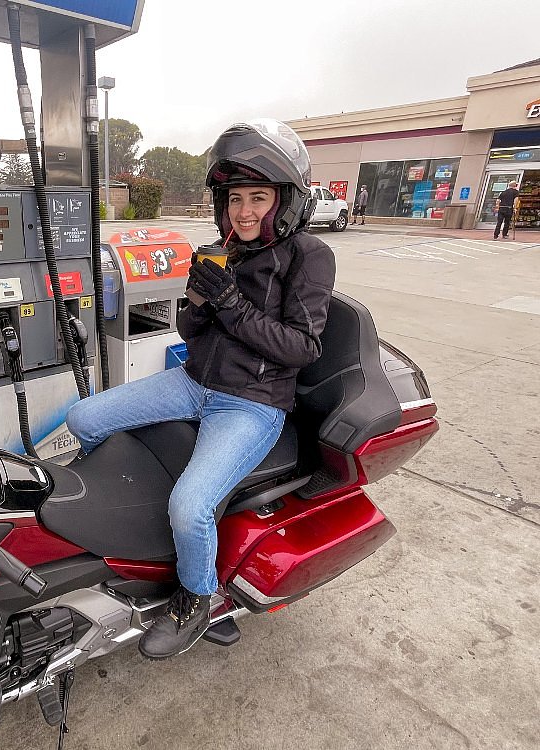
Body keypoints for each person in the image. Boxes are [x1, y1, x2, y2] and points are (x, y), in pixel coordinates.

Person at [65, 119, 335, 660]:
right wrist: (196, 303)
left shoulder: (310, 257)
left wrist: (231, 305)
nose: (245, 211)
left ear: (285, 201)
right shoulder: (223, 249)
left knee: (190, 506)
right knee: (84, 418)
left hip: (251, 405)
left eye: (259, 197)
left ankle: (197, 601)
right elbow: (191, 334)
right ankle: (125, 507)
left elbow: (303, 347)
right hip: (195, 383)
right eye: (236, 198)